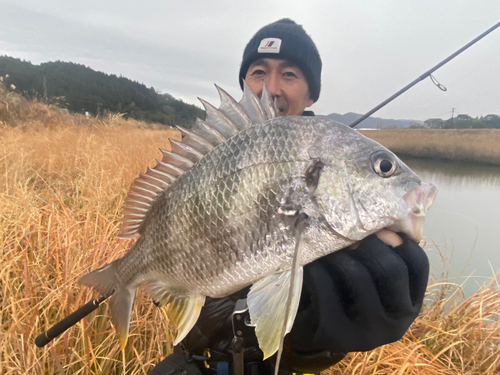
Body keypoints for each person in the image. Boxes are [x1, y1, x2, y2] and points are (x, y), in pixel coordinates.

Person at [149, 19, 429, 375]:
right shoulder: (207, 163)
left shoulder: (334, 168)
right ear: (244, 85)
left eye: (291, 74)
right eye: (258, 72)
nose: (272, 88)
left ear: (312, 94)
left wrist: (316, 344)